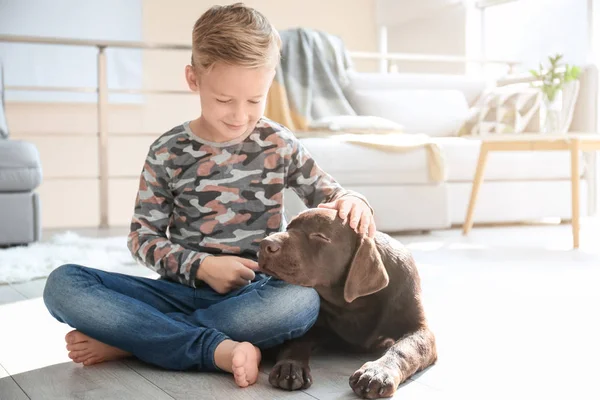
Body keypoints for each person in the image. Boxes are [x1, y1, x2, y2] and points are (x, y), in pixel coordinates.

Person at [43, 2, 375, 388]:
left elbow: (330, 193)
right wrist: (200, 266)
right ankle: (202, 345)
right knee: (62, 284)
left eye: (254, 100)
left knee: (301, 303)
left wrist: (354, 201)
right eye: (223, 100)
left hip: (256, 296)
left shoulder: (278, 143)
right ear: (193, 79)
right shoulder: (168, 150)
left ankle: (137, 341)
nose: (239, 115)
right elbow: (141, 238)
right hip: (176, 292)